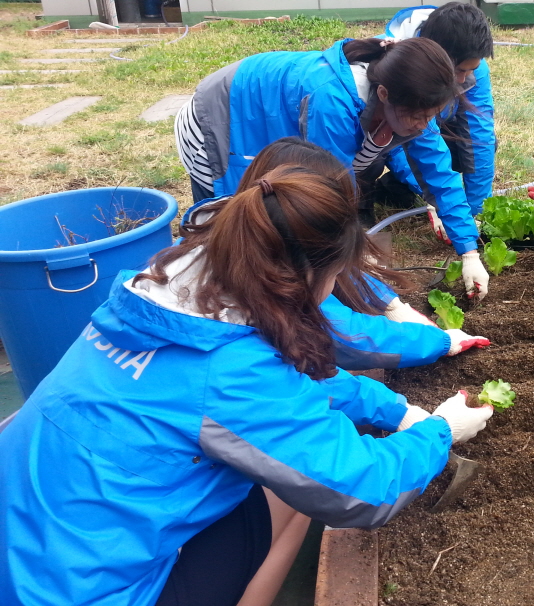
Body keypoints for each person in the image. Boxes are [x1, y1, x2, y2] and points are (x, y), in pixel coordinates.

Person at [0, 163, 494, 606]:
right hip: (80, 592)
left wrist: (388, 407)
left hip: (23, 553)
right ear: (307, 276)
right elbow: (358, 489)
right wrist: (439, 432)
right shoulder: (229, 369)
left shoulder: (165, 294)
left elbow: (272, 392)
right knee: (295, 493)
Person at [174, 36, 491, 299]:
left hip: (270, 117)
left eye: (429, 116)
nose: (423, 125)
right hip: (223, 118)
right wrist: (356, 262)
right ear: (383, 95)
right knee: (235, 222)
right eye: (418, 117)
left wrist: (469, 253)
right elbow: (330, 190)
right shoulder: (333, 101)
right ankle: (200, 300)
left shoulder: (414, 102)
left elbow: (440, 175)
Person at [183, 137, 492, 370]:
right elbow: (347, 336)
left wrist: (389, 302)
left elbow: (341, 273)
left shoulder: (243, 225)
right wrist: (441, 341)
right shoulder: (272, 295)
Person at [379, 2, 496, 233]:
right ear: (438, 58)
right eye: (460, 71)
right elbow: (408, 141)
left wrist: (476, 211)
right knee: (371, 157)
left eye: (471, 70)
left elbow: (479, 133)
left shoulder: (471, 68)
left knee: (470, 148)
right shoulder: (399, 65)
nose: (464, 79)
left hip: (431, 129)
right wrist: (437, 201)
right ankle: (362, 208)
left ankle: (400, 186)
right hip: (390, 136)